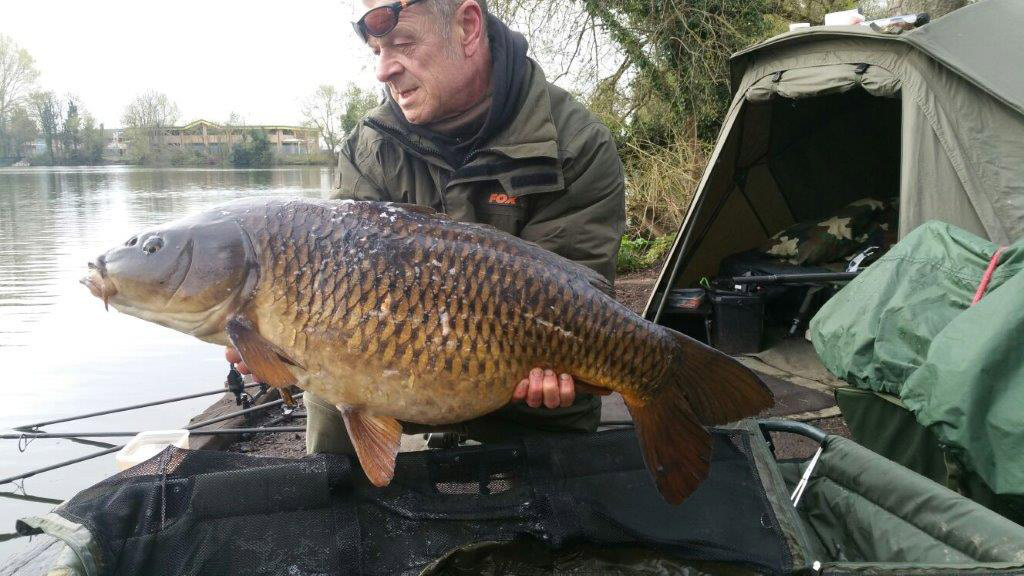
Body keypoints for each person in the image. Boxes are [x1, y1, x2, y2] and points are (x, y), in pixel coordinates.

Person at [226, 0, 626, 454]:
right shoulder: (370, 147)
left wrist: (561, 364)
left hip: (523, 386)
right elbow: (331, 284)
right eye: (377, 51)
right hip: (399, 371)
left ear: (468, 27)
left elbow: (582, 299)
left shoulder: (575, 144)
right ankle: (349, 495)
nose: (383, 70)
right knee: (329, 392)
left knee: (570, 433)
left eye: (401, 44)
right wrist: (274, 346)